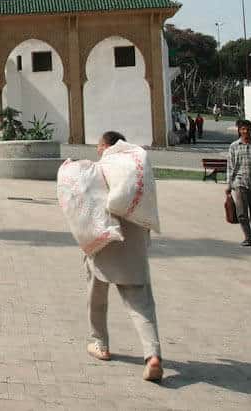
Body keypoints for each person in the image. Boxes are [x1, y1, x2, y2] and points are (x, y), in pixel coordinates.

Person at [84, 131, 163, 383]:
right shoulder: (138, 170)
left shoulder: (101, 168)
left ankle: (100, 343)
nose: (97, 150)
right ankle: (153, 356)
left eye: (99, 146)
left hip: (105, 240)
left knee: (96, 295)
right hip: (134, 243)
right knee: (141, 303)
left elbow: (86, 202)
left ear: (106, 146)